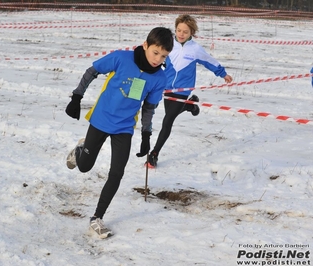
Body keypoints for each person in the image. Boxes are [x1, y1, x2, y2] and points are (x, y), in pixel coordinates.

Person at [64, 27, 174, 238]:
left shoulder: (159, 78)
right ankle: (80, 150)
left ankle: (96, 218)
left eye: (163, 56)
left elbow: (149, 108)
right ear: (145, 45)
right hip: (101, 119)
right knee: (85, 167)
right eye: (155, 52)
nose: (158, 59)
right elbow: (92, 71)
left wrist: (146, 135)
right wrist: (77, 97)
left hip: (124, 127)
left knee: (117, 173)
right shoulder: (121, 58)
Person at [147, 14, 233, 168]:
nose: (180, 34)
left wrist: (223, 74)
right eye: (178, 30)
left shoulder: (195, 49)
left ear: (191, 33)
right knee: (171, 113)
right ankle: (190, 105)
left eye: (185, 32)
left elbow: (210, 61)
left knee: (168, 120)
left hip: (183, 89)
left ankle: (154, 154)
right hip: (167, 87)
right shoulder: (169, 44)